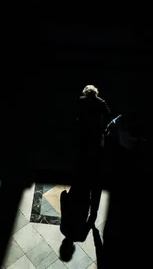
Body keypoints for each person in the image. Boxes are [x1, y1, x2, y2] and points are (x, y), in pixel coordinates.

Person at [60, 85, 111, 243]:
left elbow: (74, 114)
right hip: (95, 135)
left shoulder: (82, 101)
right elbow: (108, 114)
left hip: (85, 134)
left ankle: (84, 171)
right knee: (92, 156)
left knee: (83, 155)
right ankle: (89, 170)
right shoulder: (100, 102)